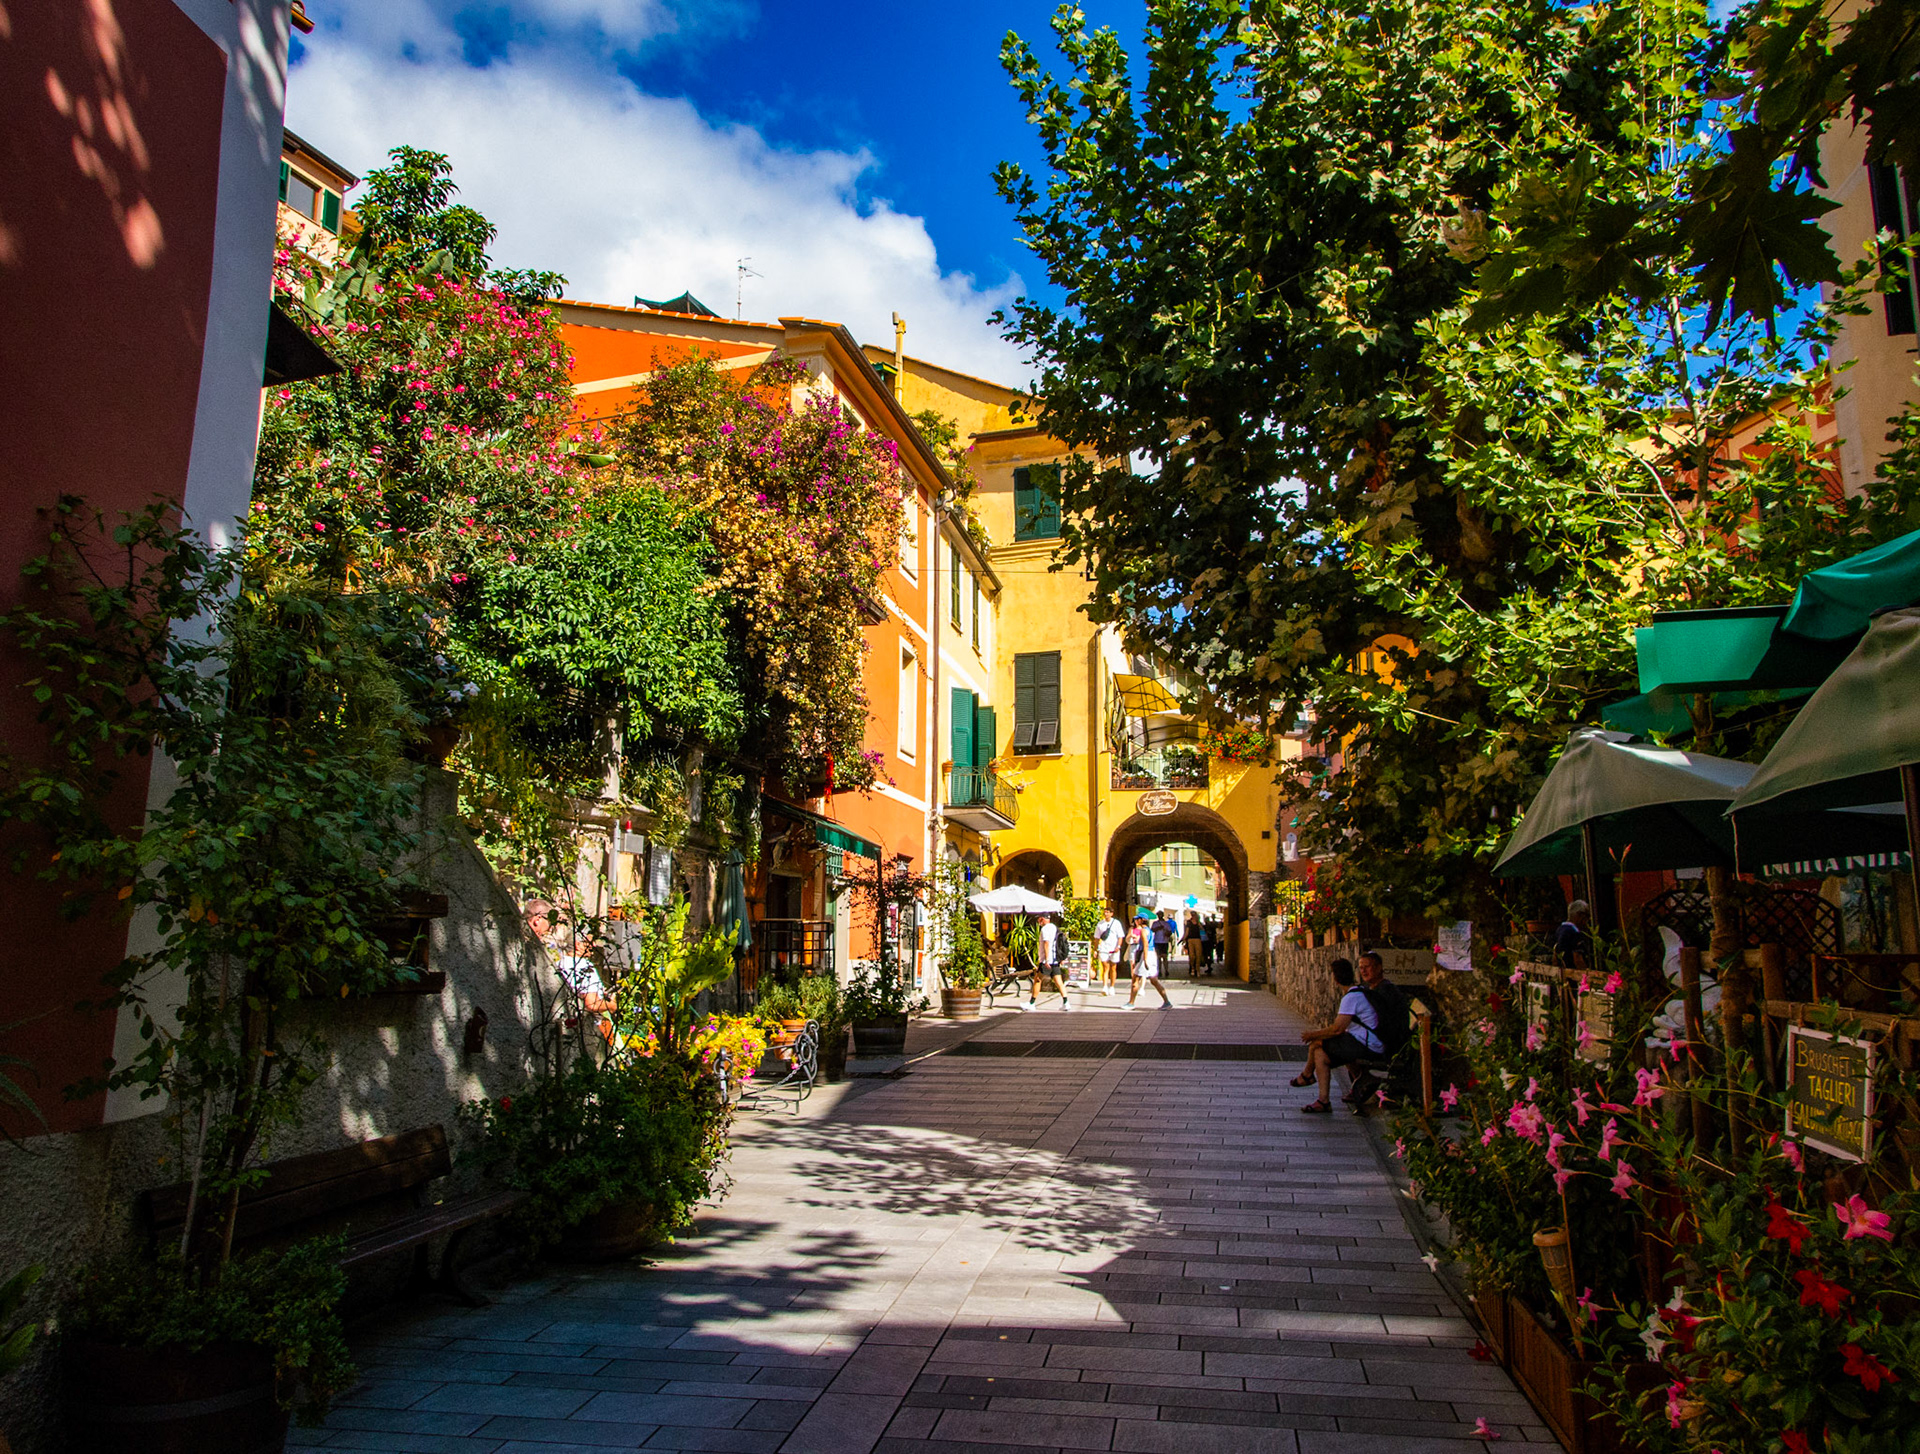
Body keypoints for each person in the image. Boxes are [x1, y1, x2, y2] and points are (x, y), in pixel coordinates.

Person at [1297, 952, 1389, 1113]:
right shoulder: (1360, 991)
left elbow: (1337, 1029)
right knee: (1319, 1052)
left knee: (1317, 1046)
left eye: (1366, 967)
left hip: (1368, 1045)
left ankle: (1308, 1078)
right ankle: (1319, 1094)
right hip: (1368, 1041)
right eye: (1362, 968)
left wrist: (1313, 1035)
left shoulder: (1351, 998)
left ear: (1335, 979)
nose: (1364, 971)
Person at [1128, 911, 1172, 1010]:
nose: (1135, 921)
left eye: (1137, 919)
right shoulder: (1149, 930)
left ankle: (1131, 1002)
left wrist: (1145, 959)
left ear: (1141, 920)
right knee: (1154, 980)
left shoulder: (1143, 931)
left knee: (1135, 978)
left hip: (1146, 954)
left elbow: (1145, 945)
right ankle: (1166, 1001)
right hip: (1152, 954)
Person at [1027, 913, 1071, 1011]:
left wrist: (1046, 960)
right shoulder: (1054, 928)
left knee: (1037, 980)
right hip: (1055, 960)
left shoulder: (1045, 929)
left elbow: (1046, 944)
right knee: (1059, 982)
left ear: (1042, 919)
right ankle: (1066, 1002)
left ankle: (1031, 1003)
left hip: (1047, 961)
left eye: (1039, 919)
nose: (1038, 921)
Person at [1554, 901, 1593, 969]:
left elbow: (1555, 954)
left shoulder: (1560, 929)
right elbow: (1578, 959)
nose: (1587, 921)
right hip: (1573, 972)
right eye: (1587, 916)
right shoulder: (1574, 933)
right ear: (1579, 915)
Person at [1094, 906, 1124, 995]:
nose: (1106, 914)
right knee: (1105, 967)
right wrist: (1096, 949)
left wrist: (1118, 946)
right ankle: (1104, 987)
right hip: (1104, 948)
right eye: (1105, 912)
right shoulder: (1100, 924)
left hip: (1114, 948)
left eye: (1108, 912)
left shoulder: (1116, 923)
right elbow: (1096, 938)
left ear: (1111, 913)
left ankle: (1112, 986)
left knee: (1113, 968)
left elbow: (1120, 936)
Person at [1182, 912, 1205, 976]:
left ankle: (1197, 970)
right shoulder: (1189, 922)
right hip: (1190, 940)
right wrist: (1184, 939)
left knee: (1198, 955)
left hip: (1198, 939)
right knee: (1192, 955)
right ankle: (1192, 968)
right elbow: (1187, 931)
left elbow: (1202, 929)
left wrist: (1198, 922)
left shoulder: (1198, 923)